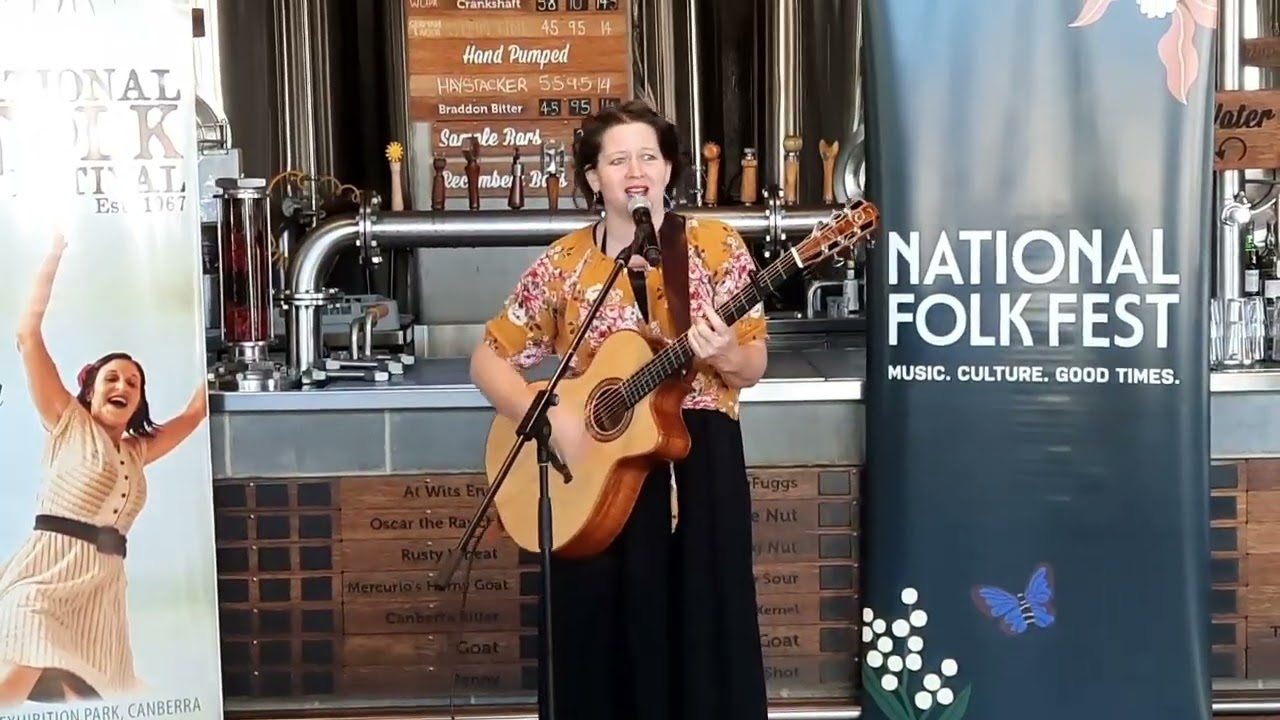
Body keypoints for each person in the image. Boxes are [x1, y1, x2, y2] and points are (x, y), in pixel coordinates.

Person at [470, 100, 769, 720]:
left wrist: (726, 353)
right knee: (602, 628)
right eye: (618, 159)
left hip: (699, 459)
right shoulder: (564, 263)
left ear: (667, 170)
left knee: (706, 615)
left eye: (649, 156)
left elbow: (753, 367)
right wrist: (544, 418)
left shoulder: (715, 246)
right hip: (598, 472)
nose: (636, 170)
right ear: (592, 177)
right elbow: (490, 360)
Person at [0, 233, 208, 705]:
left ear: (137, 402)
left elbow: (196, 412)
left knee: (106, 697)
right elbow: (27, 335)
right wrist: (52, 251)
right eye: (111, 377)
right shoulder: (67, 424)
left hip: (102, 594)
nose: (123, 384)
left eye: (133, 382)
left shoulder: (136, 452)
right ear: (90, 391)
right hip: (47, 575)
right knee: (27, 649)